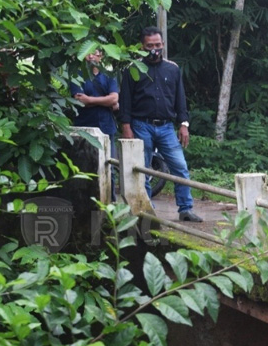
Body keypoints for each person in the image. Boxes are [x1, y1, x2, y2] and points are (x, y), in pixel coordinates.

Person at [119, 26, 202, 222]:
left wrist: (184, 124)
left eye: (157, 45)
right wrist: (126, 126)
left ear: (163, 44)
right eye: (149, 46)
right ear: (142, 46)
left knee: (180, 166)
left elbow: (180, 99)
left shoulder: (172, 69)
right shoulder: (133, 68)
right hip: (141, 124)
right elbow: (125, 101)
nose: (154, 49)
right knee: (142, 167)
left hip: (166, 127)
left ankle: (185, 208)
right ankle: (147, 209)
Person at [69, 49, 119, 202]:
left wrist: (90, 100)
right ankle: (83, 203)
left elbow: (114, 99)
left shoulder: (109, 75)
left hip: (106, 128)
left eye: (95, 53)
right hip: (83, 129)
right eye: (87, 53)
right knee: (83, 167)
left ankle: (110, 203)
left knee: (109, 168)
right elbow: (79, 100)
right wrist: (106, 101)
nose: (91, 56)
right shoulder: (76, 75)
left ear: (101, 56)